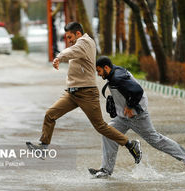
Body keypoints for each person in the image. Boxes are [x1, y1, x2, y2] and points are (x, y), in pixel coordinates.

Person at [26, 22, 142, 165]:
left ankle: (131, 145)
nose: (68, 40)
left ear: (78, 34)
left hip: (87, 92)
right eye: (67, 37)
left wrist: (59, 57)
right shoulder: (77, 45)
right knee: (50, 114)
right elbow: (72, 52)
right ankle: (43, 147)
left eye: (70, 37)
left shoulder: (85, 42)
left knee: (100, 126)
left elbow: (71, 52)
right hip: (72, 93)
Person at [89, 56, 185, 178]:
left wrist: (129, 106)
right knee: (108, 133)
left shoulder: (118, 77)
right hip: (123, 117)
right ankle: (106, 170)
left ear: (106, 68)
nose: (98, 74)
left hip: (137, 116)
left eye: (99, 71)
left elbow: (137, 91)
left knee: (156, 140)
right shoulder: (115, 73)